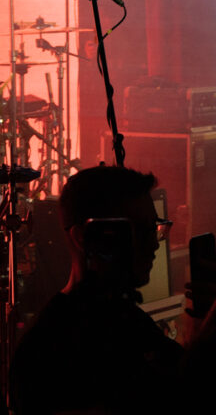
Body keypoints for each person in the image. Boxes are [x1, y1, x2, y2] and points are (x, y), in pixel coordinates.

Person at [8, 165, 182, 415]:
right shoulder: (48, 353)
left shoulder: (126, 321)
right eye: (138, 231)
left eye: (155, 227)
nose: (154, 243)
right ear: (84, 237)